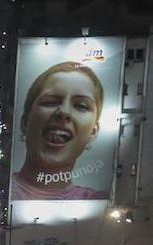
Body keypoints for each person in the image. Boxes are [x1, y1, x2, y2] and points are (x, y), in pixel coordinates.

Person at [11, 61, 111, 200]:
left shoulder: (99, 203)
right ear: (25, 123)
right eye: (50, 102)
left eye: (81, 106)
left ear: (93, 132)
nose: (64, 112)